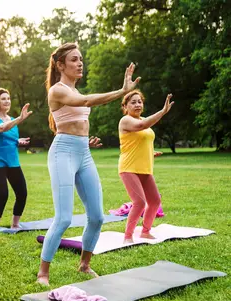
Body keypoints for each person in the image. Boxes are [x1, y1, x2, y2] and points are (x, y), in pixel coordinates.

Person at [37, 42, 141, 285]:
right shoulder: (57, 90)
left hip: (83, 153)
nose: (80, 63)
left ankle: (84, 265)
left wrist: (85, 141)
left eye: (81, 58)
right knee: (63, 218)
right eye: (74, 59)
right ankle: (43, 272)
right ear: (60, 65)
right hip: (62, 153)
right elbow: (84, 102)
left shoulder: (73, 91)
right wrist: (121, 91)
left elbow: (78, 118)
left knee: (97, 217)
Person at [118, 90, 174, 243]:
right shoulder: (126, 120)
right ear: (125, 106)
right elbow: (142, 125)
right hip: (129, 168)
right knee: (139, 202)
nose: (137, 104)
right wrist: (162, 112)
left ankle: (145, 231)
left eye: (140, 101)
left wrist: (150, 152)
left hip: (144, 168)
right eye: (133, 102)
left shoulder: (142, 119)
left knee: (155, 200)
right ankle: (128, 236)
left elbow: (140, 140)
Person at [0, 88, 32, 231]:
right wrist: (20, 119)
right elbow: (2, 129)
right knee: (2, 194)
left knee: (22, 193)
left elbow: (9, 138)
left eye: (8, 98)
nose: (7, 101)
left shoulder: (12, 120)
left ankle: (15, 224)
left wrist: (18, 141)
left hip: (13, 161)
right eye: (3, 99)